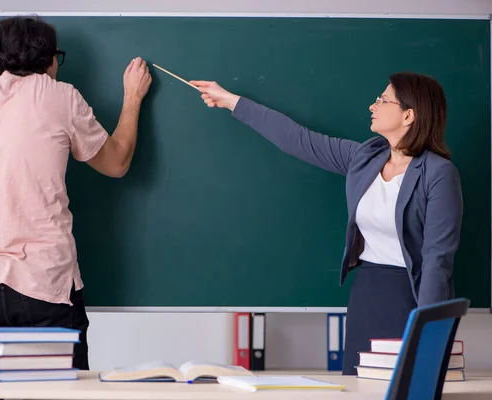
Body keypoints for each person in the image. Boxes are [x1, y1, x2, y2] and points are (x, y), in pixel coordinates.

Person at [0, 15, 152, 372]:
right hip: (46, 286)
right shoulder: (59, 95)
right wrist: (132, 99)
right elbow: (116, 163)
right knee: (58, 396)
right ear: (47, 58)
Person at [190, 73, 463, 375]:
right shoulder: (366, 157)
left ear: (408, 115)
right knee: (360, 387)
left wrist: (429, 332)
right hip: (368, 294)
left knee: (410, 386)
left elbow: (438, 260)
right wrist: (230, 101)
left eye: (383, 100)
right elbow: (297, 139)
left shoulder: (438, 173)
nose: (373, 106)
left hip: (411, 297)